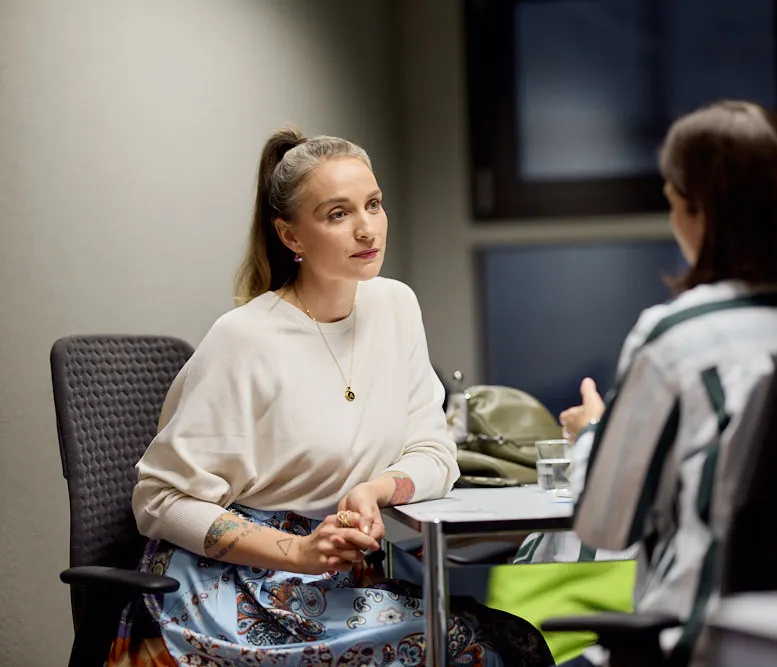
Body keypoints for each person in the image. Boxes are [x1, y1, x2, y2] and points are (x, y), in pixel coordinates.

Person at [110, 128, 553, 666]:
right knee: (487, 650)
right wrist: (296, 551)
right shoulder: (244, 338)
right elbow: (160, 501)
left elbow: (435, 452)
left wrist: (374, 490)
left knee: (512, 641)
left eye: (373, 204)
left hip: (338, 573)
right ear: (291, 236)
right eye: (337, 214)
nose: (367, 228)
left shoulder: (395, 307)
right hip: (230, 589)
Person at [547, 101, 777, 667]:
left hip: (705, 640)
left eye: (671, 203)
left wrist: (591, 434)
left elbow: (606, 525)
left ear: (698, 211)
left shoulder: (675, 337)